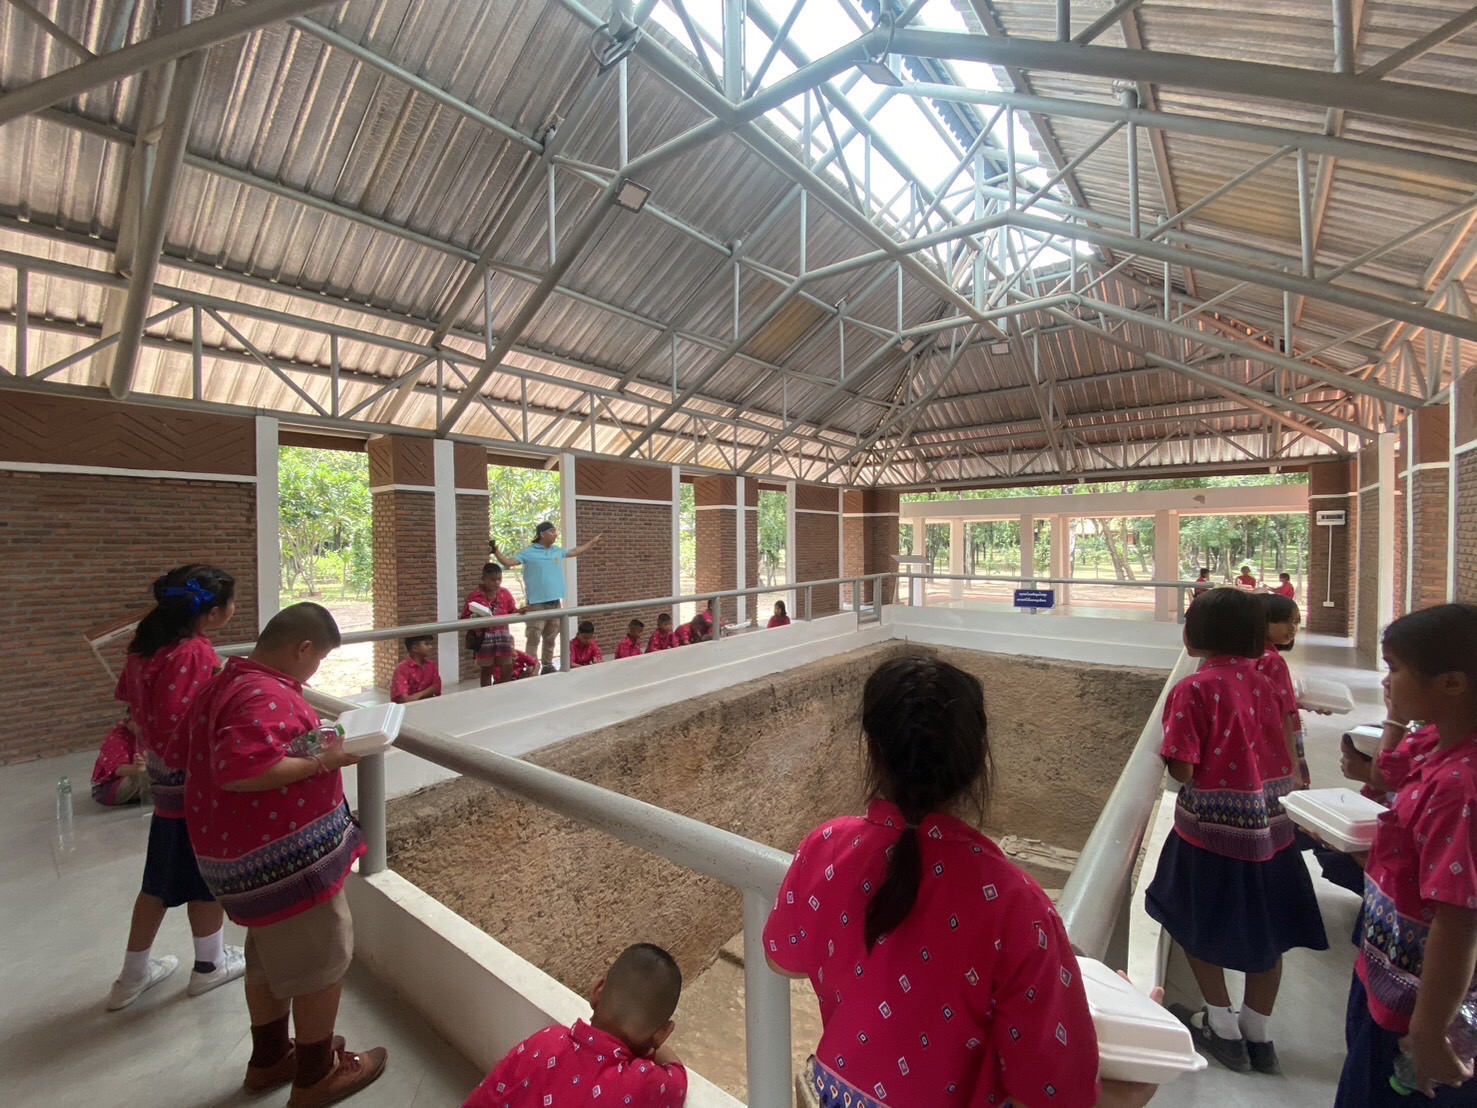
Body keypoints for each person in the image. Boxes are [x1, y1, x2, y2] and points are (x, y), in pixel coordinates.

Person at [764, 655, 1156, 1108]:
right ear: (978, 761)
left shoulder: (827, 846)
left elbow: (783, 958)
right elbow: (1054, 1091)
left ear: (871, 751)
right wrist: (1138, 1060)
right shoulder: (1017, 905)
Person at [185, 603, 386, 1106]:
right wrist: (326, 760)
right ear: (303, 648)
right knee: (323, 957)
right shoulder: (262, 694)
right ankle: (317, 1075)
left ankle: (270, 1057)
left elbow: (267, 747)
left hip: (242, 861)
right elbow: (243, 770)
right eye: (317, 659)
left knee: (268, 957)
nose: (314, 670)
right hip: (285, 865)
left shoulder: (228, 682)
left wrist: (319, 740)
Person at [1145, 588, 1327, 1075]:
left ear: (1195, 635)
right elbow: (1287, 744)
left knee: (1191, 920)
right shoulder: (1269, 680)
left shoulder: (1194, 690)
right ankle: (1258, 1036)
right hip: (1272, 831)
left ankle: (1222, 1027)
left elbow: (1183, 769)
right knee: (1268, 934)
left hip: (1210, 836)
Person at [1334, 603, 1477, 1108]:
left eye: (1394, 668)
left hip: (1417, 1002)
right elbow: (1387, 774)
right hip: (1384, 969)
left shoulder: (1461, 786)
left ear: (1452, 683)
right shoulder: (1435, 740)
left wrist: (1430, 1028)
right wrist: (1396, 717)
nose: (1385, 680)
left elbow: (1459, 920)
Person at [108, 565, 245, 1012]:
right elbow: (189, 721)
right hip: (194, 784)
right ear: (212, 613)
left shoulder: (143, 648)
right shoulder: (193, 653)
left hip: (164, 782)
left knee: (158, 881)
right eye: (231, 602)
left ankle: (132, 975)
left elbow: (134, 703)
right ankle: (209, 965)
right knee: (207, 875)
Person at [463, 944, 686, 1108]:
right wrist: (653, 1044)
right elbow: (677, 1074)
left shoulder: (547, 1040)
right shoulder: (643, 1082)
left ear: (597, 991)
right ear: (662, 1033)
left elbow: (488, 1096)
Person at [489, 523, 603, 676]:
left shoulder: (557, 551)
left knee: (551, 638)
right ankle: (531, 667)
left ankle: (547, 666)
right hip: (536, 604)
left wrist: (592, 542)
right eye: (552, 531)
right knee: (534, 638)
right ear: (542, 534)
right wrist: (496, 551)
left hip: (555, 602)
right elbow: (508, 562)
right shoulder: (528, 552)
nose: (556, 534)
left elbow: (575, 551)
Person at [1255, 593, 1310, 789]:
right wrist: (1294, 770)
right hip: (1278, 743)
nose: (1292, 628)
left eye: (1296, 622)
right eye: (1284, 621)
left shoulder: (1251, 656)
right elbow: (1284, 713)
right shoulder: (1272, 661)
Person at [462, 563, 518, 687]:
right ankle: (486, 693)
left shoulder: (505, 593)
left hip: (503, 635)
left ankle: (504, 690)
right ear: (484, 579)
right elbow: (465, 617)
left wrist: (520, 611)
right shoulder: (474, 596)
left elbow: (512, 610)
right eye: (493, 580)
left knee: (507, 666)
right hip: (485, 637)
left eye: (499, 579)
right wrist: (476, 617)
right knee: (487, 670)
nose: (496, 583)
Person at [91, 717, 147, 806]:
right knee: (148, 773)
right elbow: (118, 770)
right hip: (109, 787)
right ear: (127, 722)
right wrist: (136, 768)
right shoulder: (117, 738)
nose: (144, 726)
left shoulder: (148, 734)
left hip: (137, 780)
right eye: (140, 722)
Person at [390, 635, 441, 704]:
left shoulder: (431, 665)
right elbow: (405, 699)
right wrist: (429, 691)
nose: (431, 647)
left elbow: (437, 688)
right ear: (415, 648)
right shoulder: (402, 669)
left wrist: (417, 696)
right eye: (427, 644)